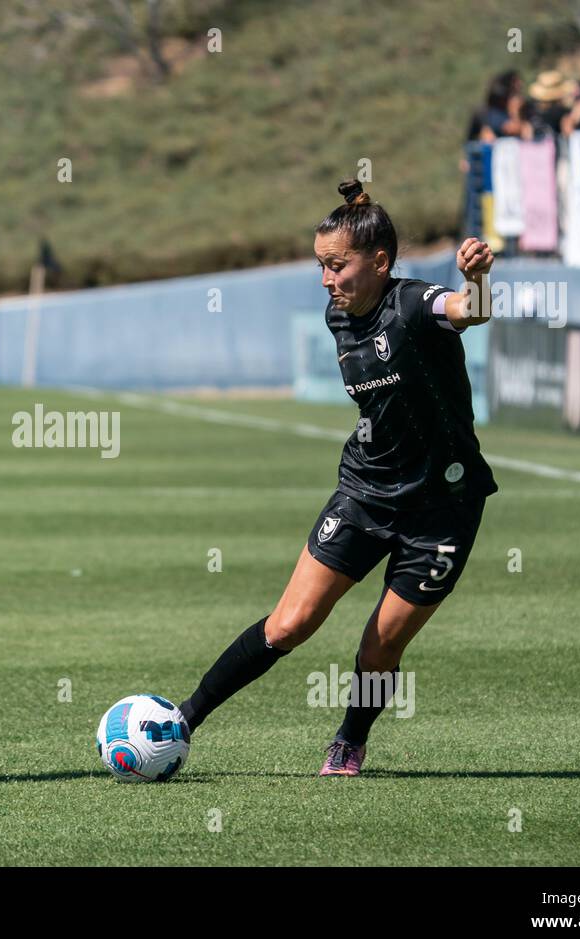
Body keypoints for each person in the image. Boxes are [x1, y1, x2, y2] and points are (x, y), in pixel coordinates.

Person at [178, 180, 499, 777]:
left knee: (381, 646)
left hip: (444, 508)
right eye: (321, 266)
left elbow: (467, 311)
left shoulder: (411, 303)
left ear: (380, 262)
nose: (327, 280)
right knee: (289, 624)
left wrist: (477, 279)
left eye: (337, 265)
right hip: (364, 492)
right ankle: (181, 721)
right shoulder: (338, 313)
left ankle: (350, 740)